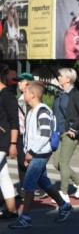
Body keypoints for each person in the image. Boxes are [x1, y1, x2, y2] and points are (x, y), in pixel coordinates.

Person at [9, 81, 73, 229]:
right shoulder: (32, 111)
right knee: (43, 182)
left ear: (33, 94)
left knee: (29, 184)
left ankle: (25, 218)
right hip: (36, 153)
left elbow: (44, 135)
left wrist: (30, 153)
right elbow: (30, 135)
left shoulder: (42, 111)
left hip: (41, 153)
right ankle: (64, 206)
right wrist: (27, 152)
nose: (22, 94)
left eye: (25, 92)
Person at [52, 68, 79, 203]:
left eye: (60, 75)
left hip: (70, 133)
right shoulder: (60, 94)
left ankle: (64, 193)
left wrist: (74, 128)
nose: (58, 77)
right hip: (59, 132)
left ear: (68, 79)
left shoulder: (75, 94)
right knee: (56, 163)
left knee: (63, 162)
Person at [0, 64, 19, 220]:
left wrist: (13, 144)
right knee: (3, 176)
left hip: (3, 140)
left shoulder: (7, 94)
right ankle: (12, 210)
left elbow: (14, 122)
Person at [12, 72, 34, 198]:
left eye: (21, 80)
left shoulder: (29, 98)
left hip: (28, 135)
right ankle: (23, 188)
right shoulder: (20, 96)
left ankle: (28, 189)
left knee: (26, 162)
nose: (18, 83)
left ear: (28, 83)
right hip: (20, 134)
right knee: (21, 163)